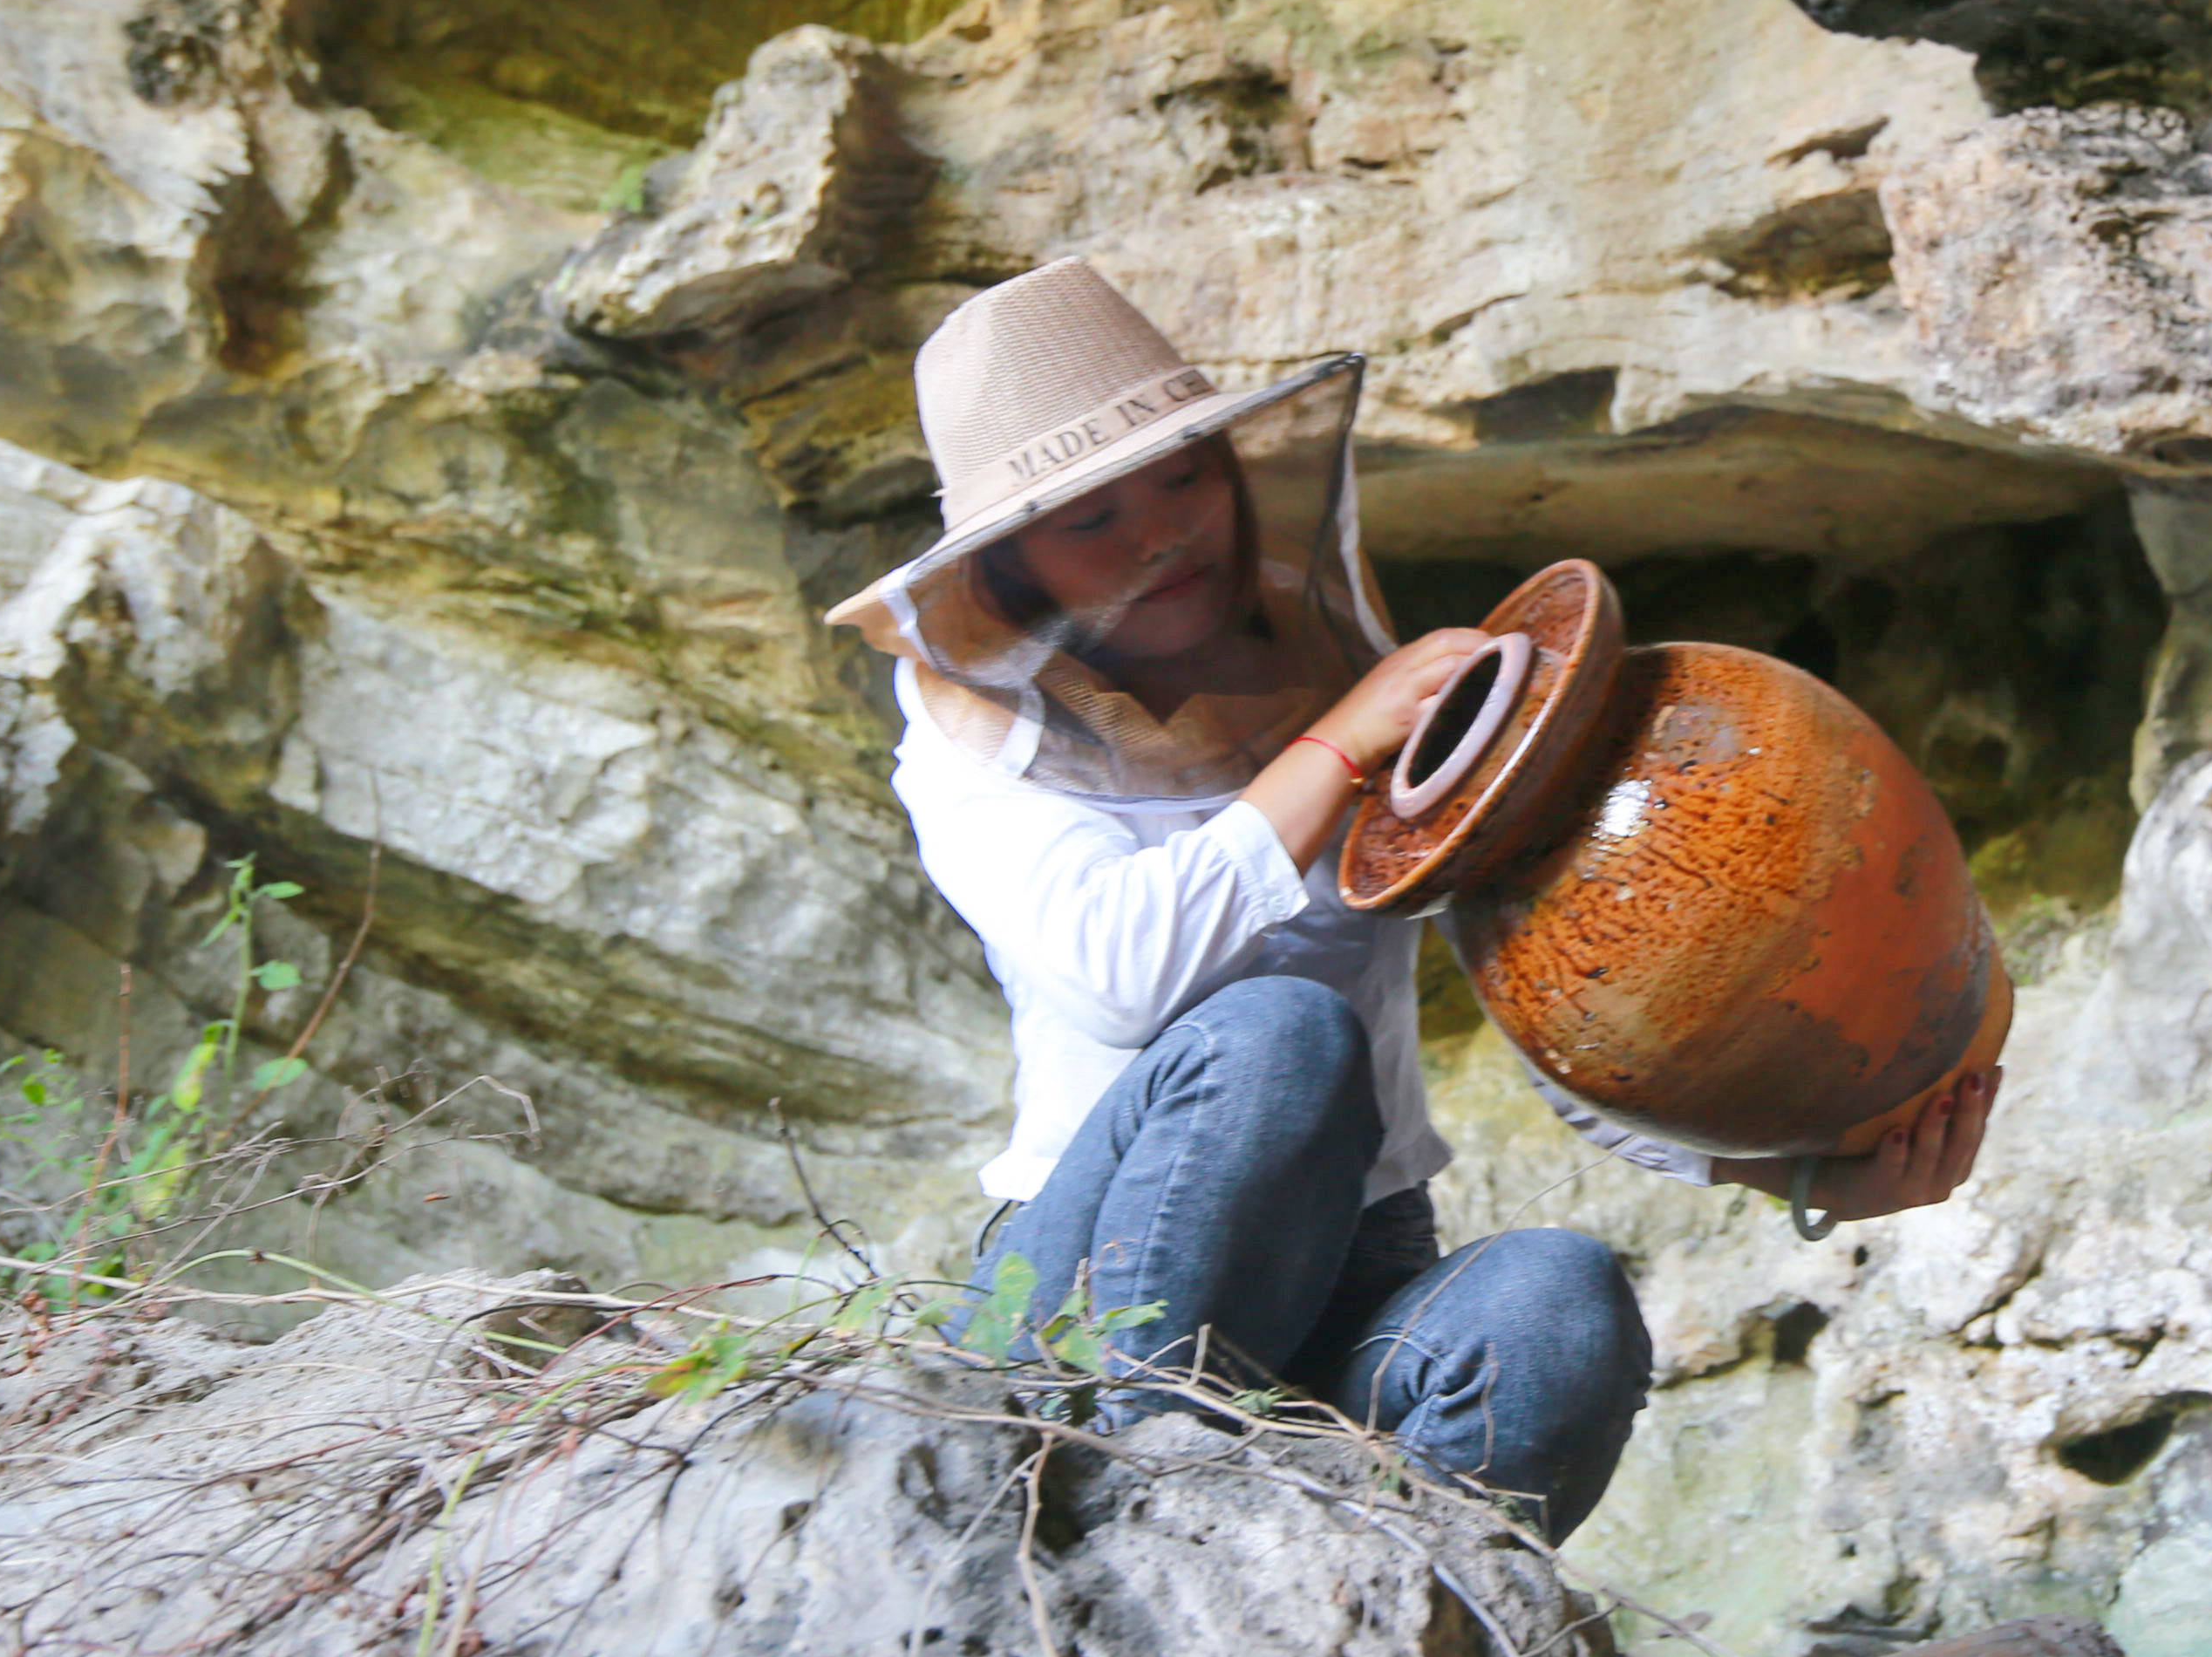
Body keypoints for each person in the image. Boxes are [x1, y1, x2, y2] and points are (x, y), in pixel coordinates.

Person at [827, 260, 1998, 1542]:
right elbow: (1121, 980)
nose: (1163, 532)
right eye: (1092, 519)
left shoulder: (1331, 670)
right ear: (1011, 565)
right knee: (1281, 1034)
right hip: (1080, 1293)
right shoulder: (969, 748)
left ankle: (1402, 1629)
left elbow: (1543, 991)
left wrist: (1801, 1168)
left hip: (1356, 1268)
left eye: (1182, 478)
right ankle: (1133, 1523)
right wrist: (1334, 755)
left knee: (1557, 1297)